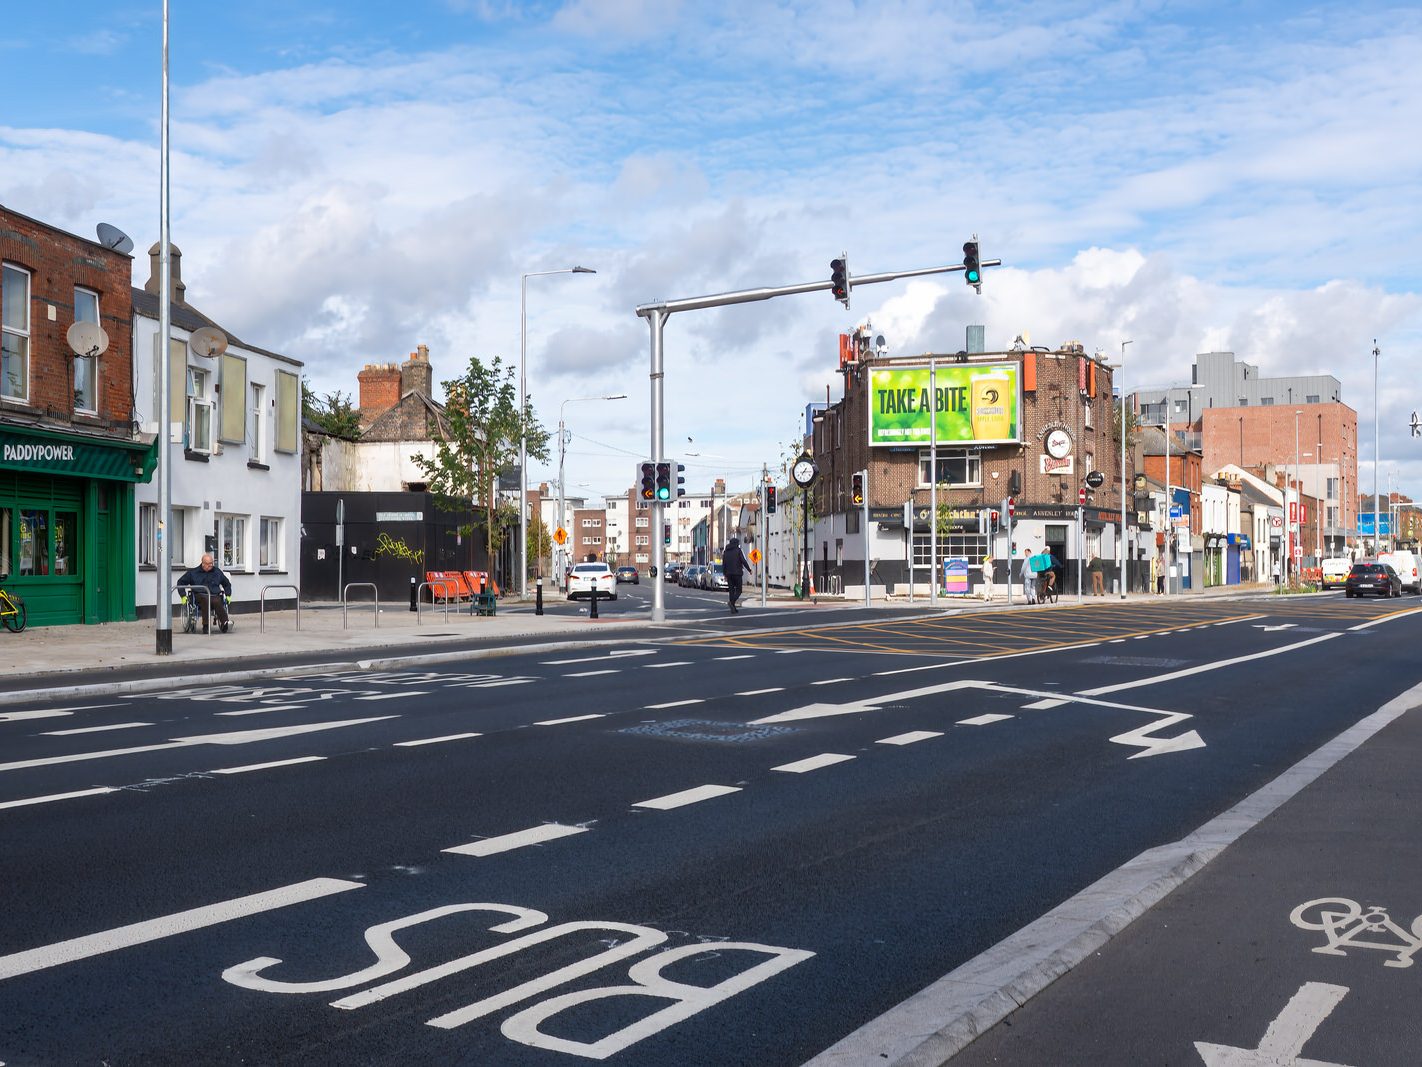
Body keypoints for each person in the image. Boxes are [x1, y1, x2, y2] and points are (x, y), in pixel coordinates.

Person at [177, 552, 233, 633]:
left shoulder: (217, 572)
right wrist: (183, 596)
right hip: (199, 595)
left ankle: (225, 622)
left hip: (214, 595)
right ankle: (206, 625)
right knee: (205, 599)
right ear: (203, 564)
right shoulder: (193, 573)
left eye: (212, 563)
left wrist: (228, 595)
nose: (211, 565)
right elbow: (180, 582)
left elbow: (227, 584)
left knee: (217, 600)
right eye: (208, 564)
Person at [722, 536, 754, 613]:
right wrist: (749, 570)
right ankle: (732, 602)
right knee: (739, 590)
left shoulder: (725, 552)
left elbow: (724, 564)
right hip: (737, 573)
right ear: (736, 544)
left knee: (731, 591)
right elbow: (743, 561)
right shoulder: (738, 551)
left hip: (729, 574)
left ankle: (733, 608)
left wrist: (725, 574)